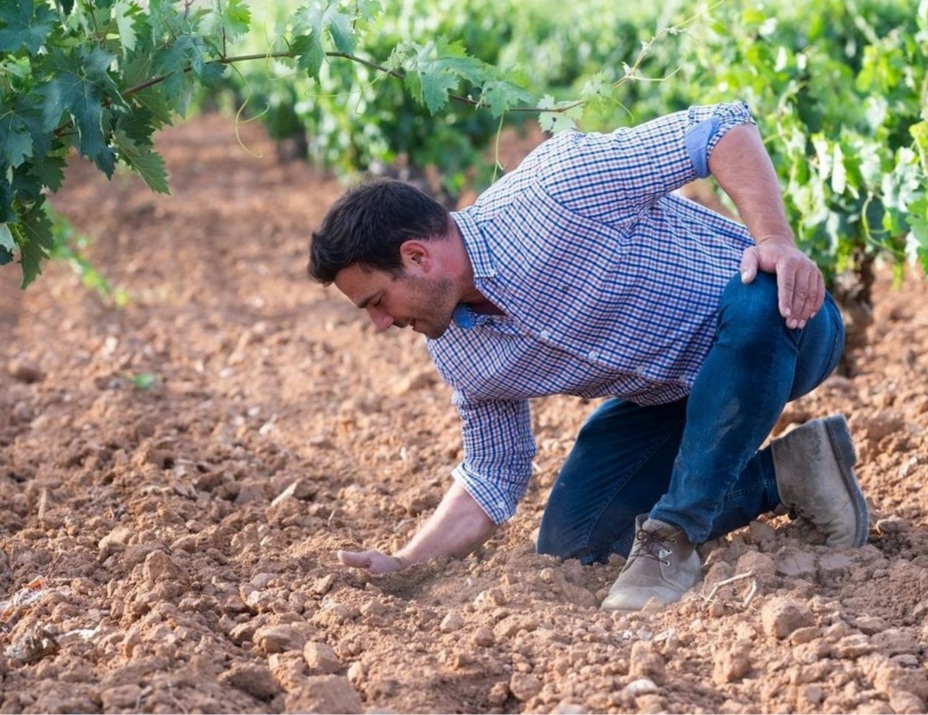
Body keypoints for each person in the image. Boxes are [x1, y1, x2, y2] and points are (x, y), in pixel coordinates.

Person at [307, 101, 869, 612]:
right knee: (576, 547)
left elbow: (721, 127)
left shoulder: (555, 191)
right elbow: (491, 474)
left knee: (756, 298)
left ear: (416, 256)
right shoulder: (458, 349)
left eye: (378, 302)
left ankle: (671, 538)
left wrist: (775, 241)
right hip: (671, 397)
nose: (381, 324)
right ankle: (789, 473)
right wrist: (406, 561)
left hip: (784, 325)